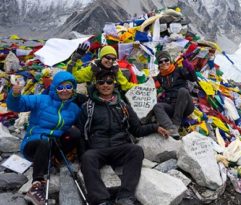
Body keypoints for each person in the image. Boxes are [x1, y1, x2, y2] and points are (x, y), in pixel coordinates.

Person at [77, 71, 169, 205]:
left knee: (136, 150)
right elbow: (81, 134)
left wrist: (155, 127)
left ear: (114, 84)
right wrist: (81, 157)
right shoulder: (88, 107)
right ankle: (101, 200)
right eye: (101, 82)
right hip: (98, 149)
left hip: (120, 147)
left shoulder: (123, 106)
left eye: (109, 82)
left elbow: (136, 129)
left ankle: (125, 196)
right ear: (96, 85)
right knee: (87, 157)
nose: (105, 85)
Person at [6, 71, 81, 205]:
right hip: (34, 144)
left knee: (75, 133)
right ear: (54, 88)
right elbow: (17, 105)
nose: (65, 90)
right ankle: (36, 186)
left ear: (73, 89)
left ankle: (55, 159)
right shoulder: (41, 100)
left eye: (69, 87)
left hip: (55, 145)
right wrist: (15, 95)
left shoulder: (74, 109)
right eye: (60, 87)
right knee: (44, 143)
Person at [152, 51, 196, 138]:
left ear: (170, 60)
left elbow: (193, 78)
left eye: (166, 60)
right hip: (172, 106)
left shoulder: (179, 70)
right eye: (161, 61)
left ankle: (176, 124)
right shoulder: (160, 77)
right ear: (159, 64)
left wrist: (190, 67)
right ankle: (171, 128)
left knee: (182, 91)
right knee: (157, 106)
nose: (164, 63)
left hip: (186, 106)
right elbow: (152, 85)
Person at [67, 44, 135, 91]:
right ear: (101, 57)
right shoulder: (92, 69)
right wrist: (74, 59)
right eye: (108, 58)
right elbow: (73, 78)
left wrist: (142, 87)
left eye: (113, 59)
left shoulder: (115, 70)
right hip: (95, 98)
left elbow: (125, 85)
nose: (110, 61)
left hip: (111, 98)